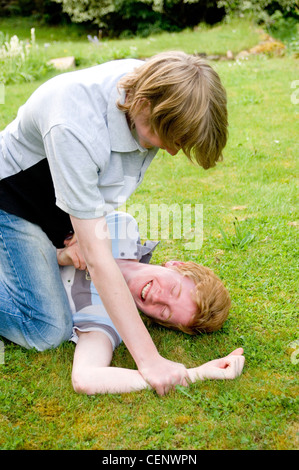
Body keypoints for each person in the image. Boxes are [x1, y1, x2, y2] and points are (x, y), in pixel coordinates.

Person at [0, 51, 228, 395]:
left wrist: (80, 232)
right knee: (47, 330)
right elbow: (98, 260)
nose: (170, 153)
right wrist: (150, 363)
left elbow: (107, 195)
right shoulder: (74, 124)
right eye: (169, 139)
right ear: (146, 107)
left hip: (55, 209)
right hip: (12, 202)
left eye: (163, 314)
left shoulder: (152, 87)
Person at [57, 211, 244, 395]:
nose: (158, 297)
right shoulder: (122, 229)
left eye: (164, 311)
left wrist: (195, 373)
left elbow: (86, 378)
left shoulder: (109, 320)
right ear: (175, 265)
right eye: (173, 290)